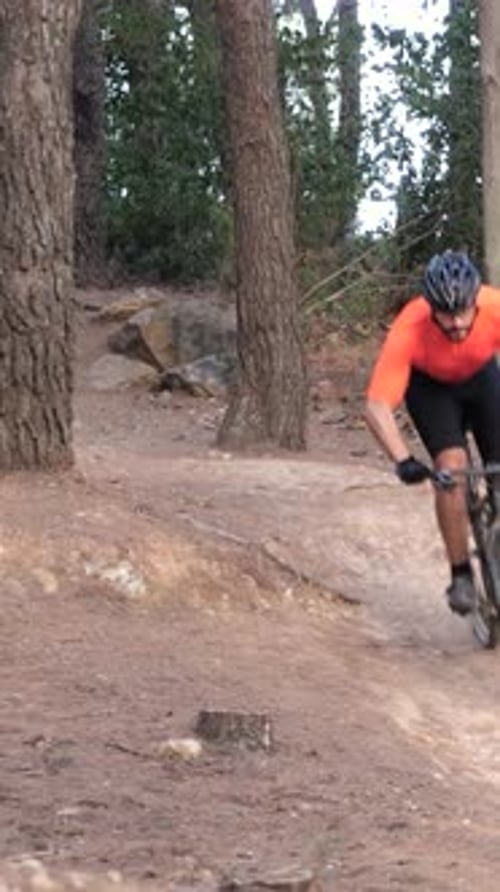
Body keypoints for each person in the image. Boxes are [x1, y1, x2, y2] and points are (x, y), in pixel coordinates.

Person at [364, 249, 500, 616]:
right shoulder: (409, 327)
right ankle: (461, 575)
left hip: (483, 380)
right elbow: (377, 405)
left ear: (476, 301)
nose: (456, 323)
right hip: (432, 390)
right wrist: (403, 460)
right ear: (431, 307)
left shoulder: (494, 306)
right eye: (445, 314)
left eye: (463, 312)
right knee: (451, 470)